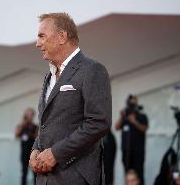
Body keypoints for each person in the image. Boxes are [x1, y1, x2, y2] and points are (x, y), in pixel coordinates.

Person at [29, 12, 112, 185]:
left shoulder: (92, 70)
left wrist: (56, 154)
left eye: (42, 36)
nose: (37, 44)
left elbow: (98, 123)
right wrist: (36, 149)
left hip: (76, 178)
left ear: (62, 36)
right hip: (45, 179)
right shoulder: (48, 75)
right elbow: (48, 124)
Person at [115, 95, 148, 185]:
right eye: (130, 103)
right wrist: (122, 117)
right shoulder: (124, 117)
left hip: (138, 151)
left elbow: (144, 128)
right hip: (126, 151)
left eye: (133, 103)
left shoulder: (142, 116)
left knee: (139, 174)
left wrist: (134, 122)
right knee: (127, 174)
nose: (131, 105)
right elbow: (116, 127)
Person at [15, 108, 38, 185]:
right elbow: (16, 135)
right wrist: (23, 123)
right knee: (24, 172)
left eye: (32, 114)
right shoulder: (22, 125)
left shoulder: (34, 126)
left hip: (32, 152)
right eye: (28, 114)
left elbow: (37, 137)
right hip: (24, 153)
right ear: (25, 115)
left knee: (34, 173)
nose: (30, 116)